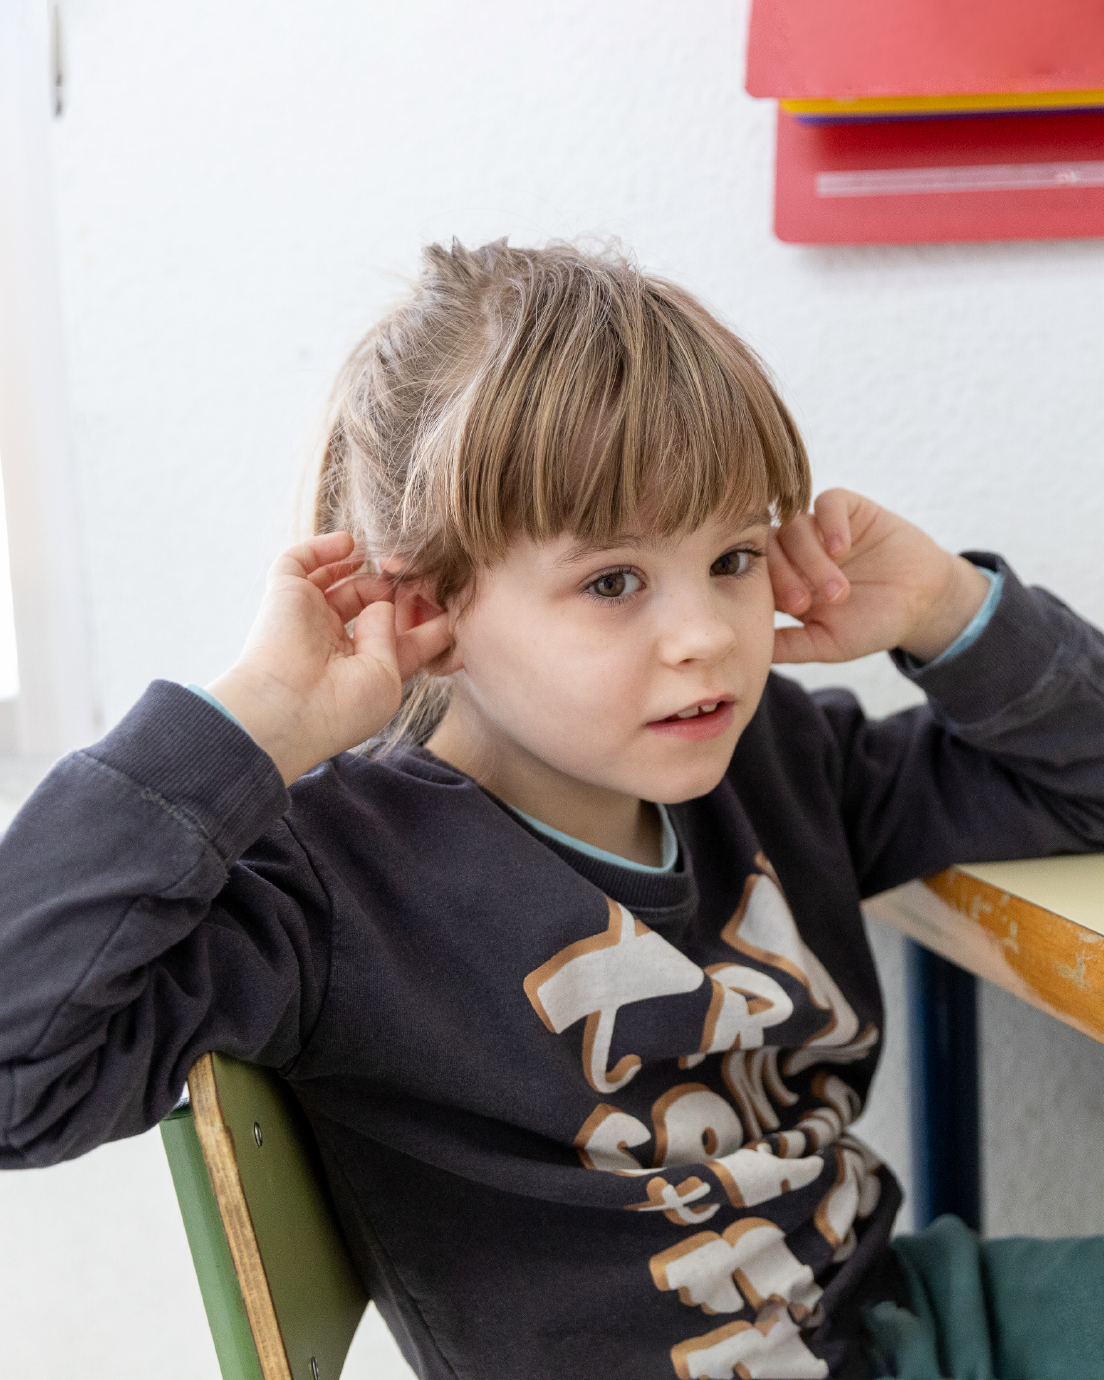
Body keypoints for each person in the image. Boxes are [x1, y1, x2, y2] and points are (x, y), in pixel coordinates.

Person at [2, 239, 1104, 1380]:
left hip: (883, 1323)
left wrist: (946, 606)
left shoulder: (776, 755)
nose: (707, 635)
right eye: (614, 582)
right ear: (427, 605)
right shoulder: (332, 886)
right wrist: (251, 726)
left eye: (732, 556)